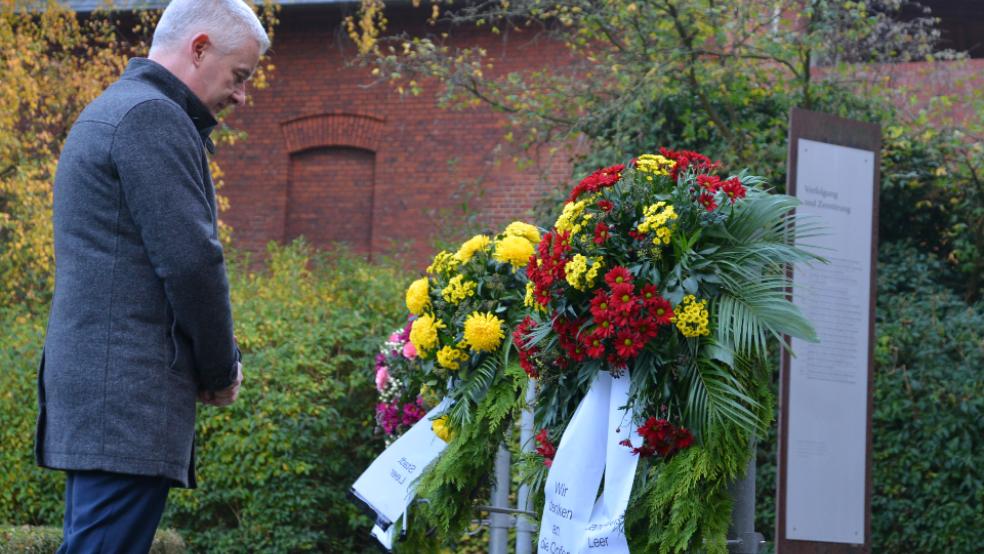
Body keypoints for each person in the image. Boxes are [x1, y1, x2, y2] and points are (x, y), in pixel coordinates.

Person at [35, 1, 269, 551]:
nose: (240, 95)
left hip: (104, 399)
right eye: (239, 76)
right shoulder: (151, 117)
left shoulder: (114, 110)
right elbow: (192, 262)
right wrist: (220, 369)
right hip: (125, 402)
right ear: (199, 47)